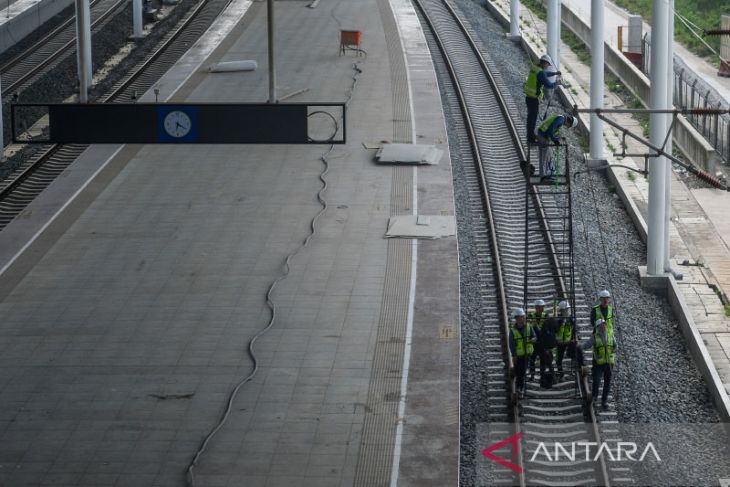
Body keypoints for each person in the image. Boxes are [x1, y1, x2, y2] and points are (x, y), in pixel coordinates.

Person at [524, 54, 561, 143]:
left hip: (529, 97)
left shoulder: (535, 68)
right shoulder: (540, 73)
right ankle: (530, 139)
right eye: (548, 65)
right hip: (533, 99)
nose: (548, 67)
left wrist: (555, 73)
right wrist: (557, 83)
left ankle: (530, 136)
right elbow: (549, 85)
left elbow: (545, 74)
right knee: (532, 120)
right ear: (544, 63)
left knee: (530, 119)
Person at [582, 319, 617, 409]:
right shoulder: (595, 337)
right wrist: (579, 347)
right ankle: (594, 398)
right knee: (596, 381)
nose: (603, 326)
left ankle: (604, 401)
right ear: (598, 328)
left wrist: (612, 353)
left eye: (604, 324)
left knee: (607, 382)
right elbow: (587, 345)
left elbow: (615, 345)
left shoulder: (610, 335)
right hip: (598, 364)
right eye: (601, 325)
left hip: (609, 363)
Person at [536, 114, 576, 181]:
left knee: (546, 157)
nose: (567, 126)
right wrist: (555, 141)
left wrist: (558, 138)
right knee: (547, 157)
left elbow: (553, 131)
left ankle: (545, 176)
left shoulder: (560, 119)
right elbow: (550, 130)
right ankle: (545, 177)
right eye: (568, 126)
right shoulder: (561, 120)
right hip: (542, 136)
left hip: (541, 135)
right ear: (569, 122)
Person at [509, 307, 537, 399]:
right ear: (517, 318)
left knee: (522, 372)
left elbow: (534, 337)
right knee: (519, 372)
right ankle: (519, 388)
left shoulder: (529, 327)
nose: (522, 318)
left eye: (523, 317)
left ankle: (520, 389)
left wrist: (532, 340)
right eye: (520, 317)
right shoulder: (513, 331)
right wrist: (514, 356)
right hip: (518, 355)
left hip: (527, 354)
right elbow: (512, 344)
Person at [527, 299, 549, 381]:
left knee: (543, 359)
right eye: (540, 307)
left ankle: (542, 375)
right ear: (536, 308)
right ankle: (532, 375)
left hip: (542, 342)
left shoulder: (546, 315)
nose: (542, 309)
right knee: (532, 359)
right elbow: (527, 327)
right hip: (534, 342)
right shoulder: (531, 315)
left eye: (543, 307)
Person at [554, 300, 576, 380]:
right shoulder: (558, 321)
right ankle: (561, 374)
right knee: (558, 360)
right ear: (562, 311)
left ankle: (574, 370)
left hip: (569, 341)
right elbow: (556, 331)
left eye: (568, 309)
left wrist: (574, 338)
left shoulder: (571, 319)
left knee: (574, 354)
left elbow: (575, 329)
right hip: (560, 343)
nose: (567, 311)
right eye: (566, 310)